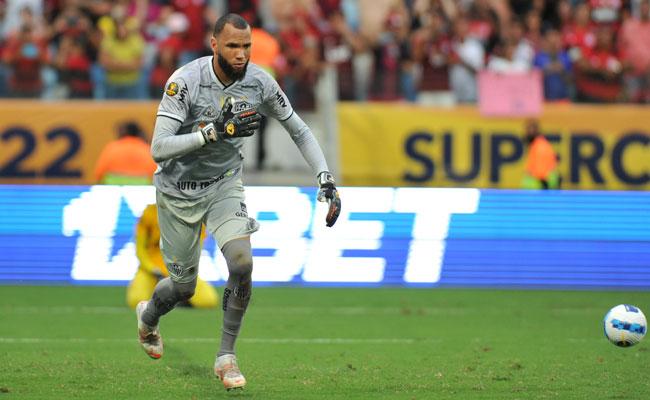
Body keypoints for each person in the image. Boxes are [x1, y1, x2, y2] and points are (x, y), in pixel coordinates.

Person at [135, 13, 341, 391]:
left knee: (242, 263)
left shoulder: (260, 82)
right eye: (233, 46)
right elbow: (158, 149)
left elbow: (298, 128)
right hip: (178, 190)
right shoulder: (185, 82)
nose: (242, 54)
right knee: (183, 289)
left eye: (246, 46)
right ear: (214, 45)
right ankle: (148, 317)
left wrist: (324, 177)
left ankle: (226, 357)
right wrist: (210, 133)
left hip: (224, 185)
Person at [127, 203, 219, 310]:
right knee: (136, 300)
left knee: (207, 301)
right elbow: (140, 250)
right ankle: (163, 295)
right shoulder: (150, 212)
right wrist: (152, 269)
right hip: (151, 271)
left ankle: (177, 299)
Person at [93, 121, 157, 184]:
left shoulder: (112, 148)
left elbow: (99, 174)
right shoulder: (146, 149)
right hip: (142, 188)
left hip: (113, 187)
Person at [522, 119, 561, 190]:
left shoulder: (540, 146)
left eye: (530, 131)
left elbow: (541, 170)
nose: (527, 133)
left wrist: (544, 185)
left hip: (540, 187)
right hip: (542, 185)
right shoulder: (537, 144)